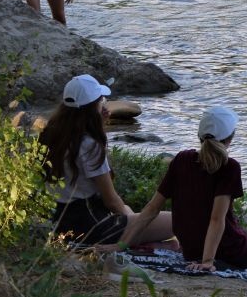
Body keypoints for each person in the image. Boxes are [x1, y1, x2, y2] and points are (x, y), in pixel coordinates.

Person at [115, 107, 247, 272]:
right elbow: (216, 220)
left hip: (191, 248)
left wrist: (122, 245)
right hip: (227, 250)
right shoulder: (229, 167)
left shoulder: (182, 159)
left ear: (200, 136)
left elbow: (152, 209)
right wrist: (208, 261)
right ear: (230, 138)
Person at [41, 74, 173, 246]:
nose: (104, 103)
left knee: (132, 215)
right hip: (92, 227)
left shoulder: (51, 135)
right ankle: (132, 242)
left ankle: (138, 240)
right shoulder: (89, 145)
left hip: (61, 223)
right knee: (176, 221)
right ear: (93, 107)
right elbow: (111, 201)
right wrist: (134, 225)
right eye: (101, 99)